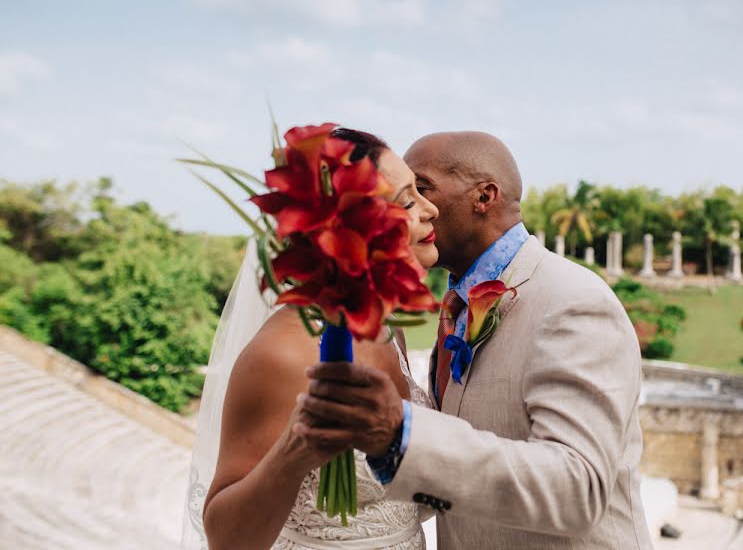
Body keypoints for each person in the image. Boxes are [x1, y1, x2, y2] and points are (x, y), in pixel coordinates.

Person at [300, 131, 653, 549]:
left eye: (422, 187)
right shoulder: (455, 307)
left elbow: (579, 488)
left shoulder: (571, 301)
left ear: (484, 197)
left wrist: (401, 437)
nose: (421, 208)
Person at [180, 128, 440, 550]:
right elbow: (226, 541)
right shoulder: (282, 354)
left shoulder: (387, 328)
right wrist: (296, 451)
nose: (431, 210)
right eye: (408, 201)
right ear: (345, 228)